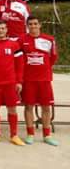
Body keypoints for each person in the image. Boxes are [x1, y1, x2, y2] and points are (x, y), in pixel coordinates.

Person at [20, 16, 58, 146]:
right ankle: (30, 134)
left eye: (35, 24)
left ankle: (47, 135)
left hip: (44, 79)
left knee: (46, 107)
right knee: (28, 107)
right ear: (27, 26)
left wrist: (44, 69)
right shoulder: (22, 40)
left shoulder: (49, 40)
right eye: (30, 24)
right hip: (28, 80)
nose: (33, 26)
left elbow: (53, 58)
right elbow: (19, 59)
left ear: (40, 25)